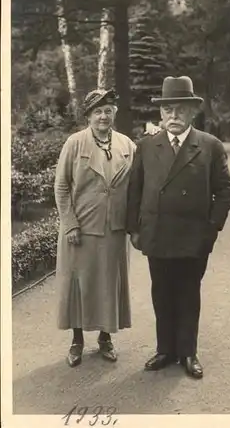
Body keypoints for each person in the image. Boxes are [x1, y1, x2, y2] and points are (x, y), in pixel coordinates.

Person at [127, 76, 230, 379]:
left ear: (192, 113)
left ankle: (187, 352)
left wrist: (211, 229)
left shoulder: (210, 146)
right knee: (161, 293)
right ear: (161, 115)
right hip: (156, 235)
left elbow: (226, 191)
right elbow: (134, 191)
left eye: (180, 111)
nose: (174, 117)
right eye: (168, 111)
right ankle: (165, 350)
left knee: (188, 293)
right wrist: (133, 230)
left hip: (193, 238)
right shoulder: (147, 146)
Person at [54, 88, 136, 367]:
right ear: (88, 116)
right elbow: (62, 186)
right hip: (81, 229)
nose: (104, 116)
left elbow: (136, 185)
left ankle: (105, 337)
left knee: (108, 284)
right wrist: (70, 224)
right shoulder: (75, 143)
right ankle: (77, 340)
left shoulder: (127, 144)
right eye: (98, 111)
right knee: (79, 285)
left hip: (114, 229)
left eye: (108, 111)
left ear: (115, 114)